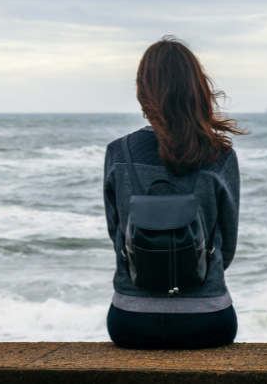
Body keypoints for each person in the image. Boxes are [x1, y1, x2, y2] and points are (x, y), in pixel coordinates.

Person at [103, 36, 247, 349]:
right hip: (207, 319)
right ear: (196, 88)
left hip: (131, 319)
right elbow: (227, 247)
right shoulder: (220, 155)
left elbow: (117, 233)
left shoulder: (119, 152)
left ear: (144, 91)